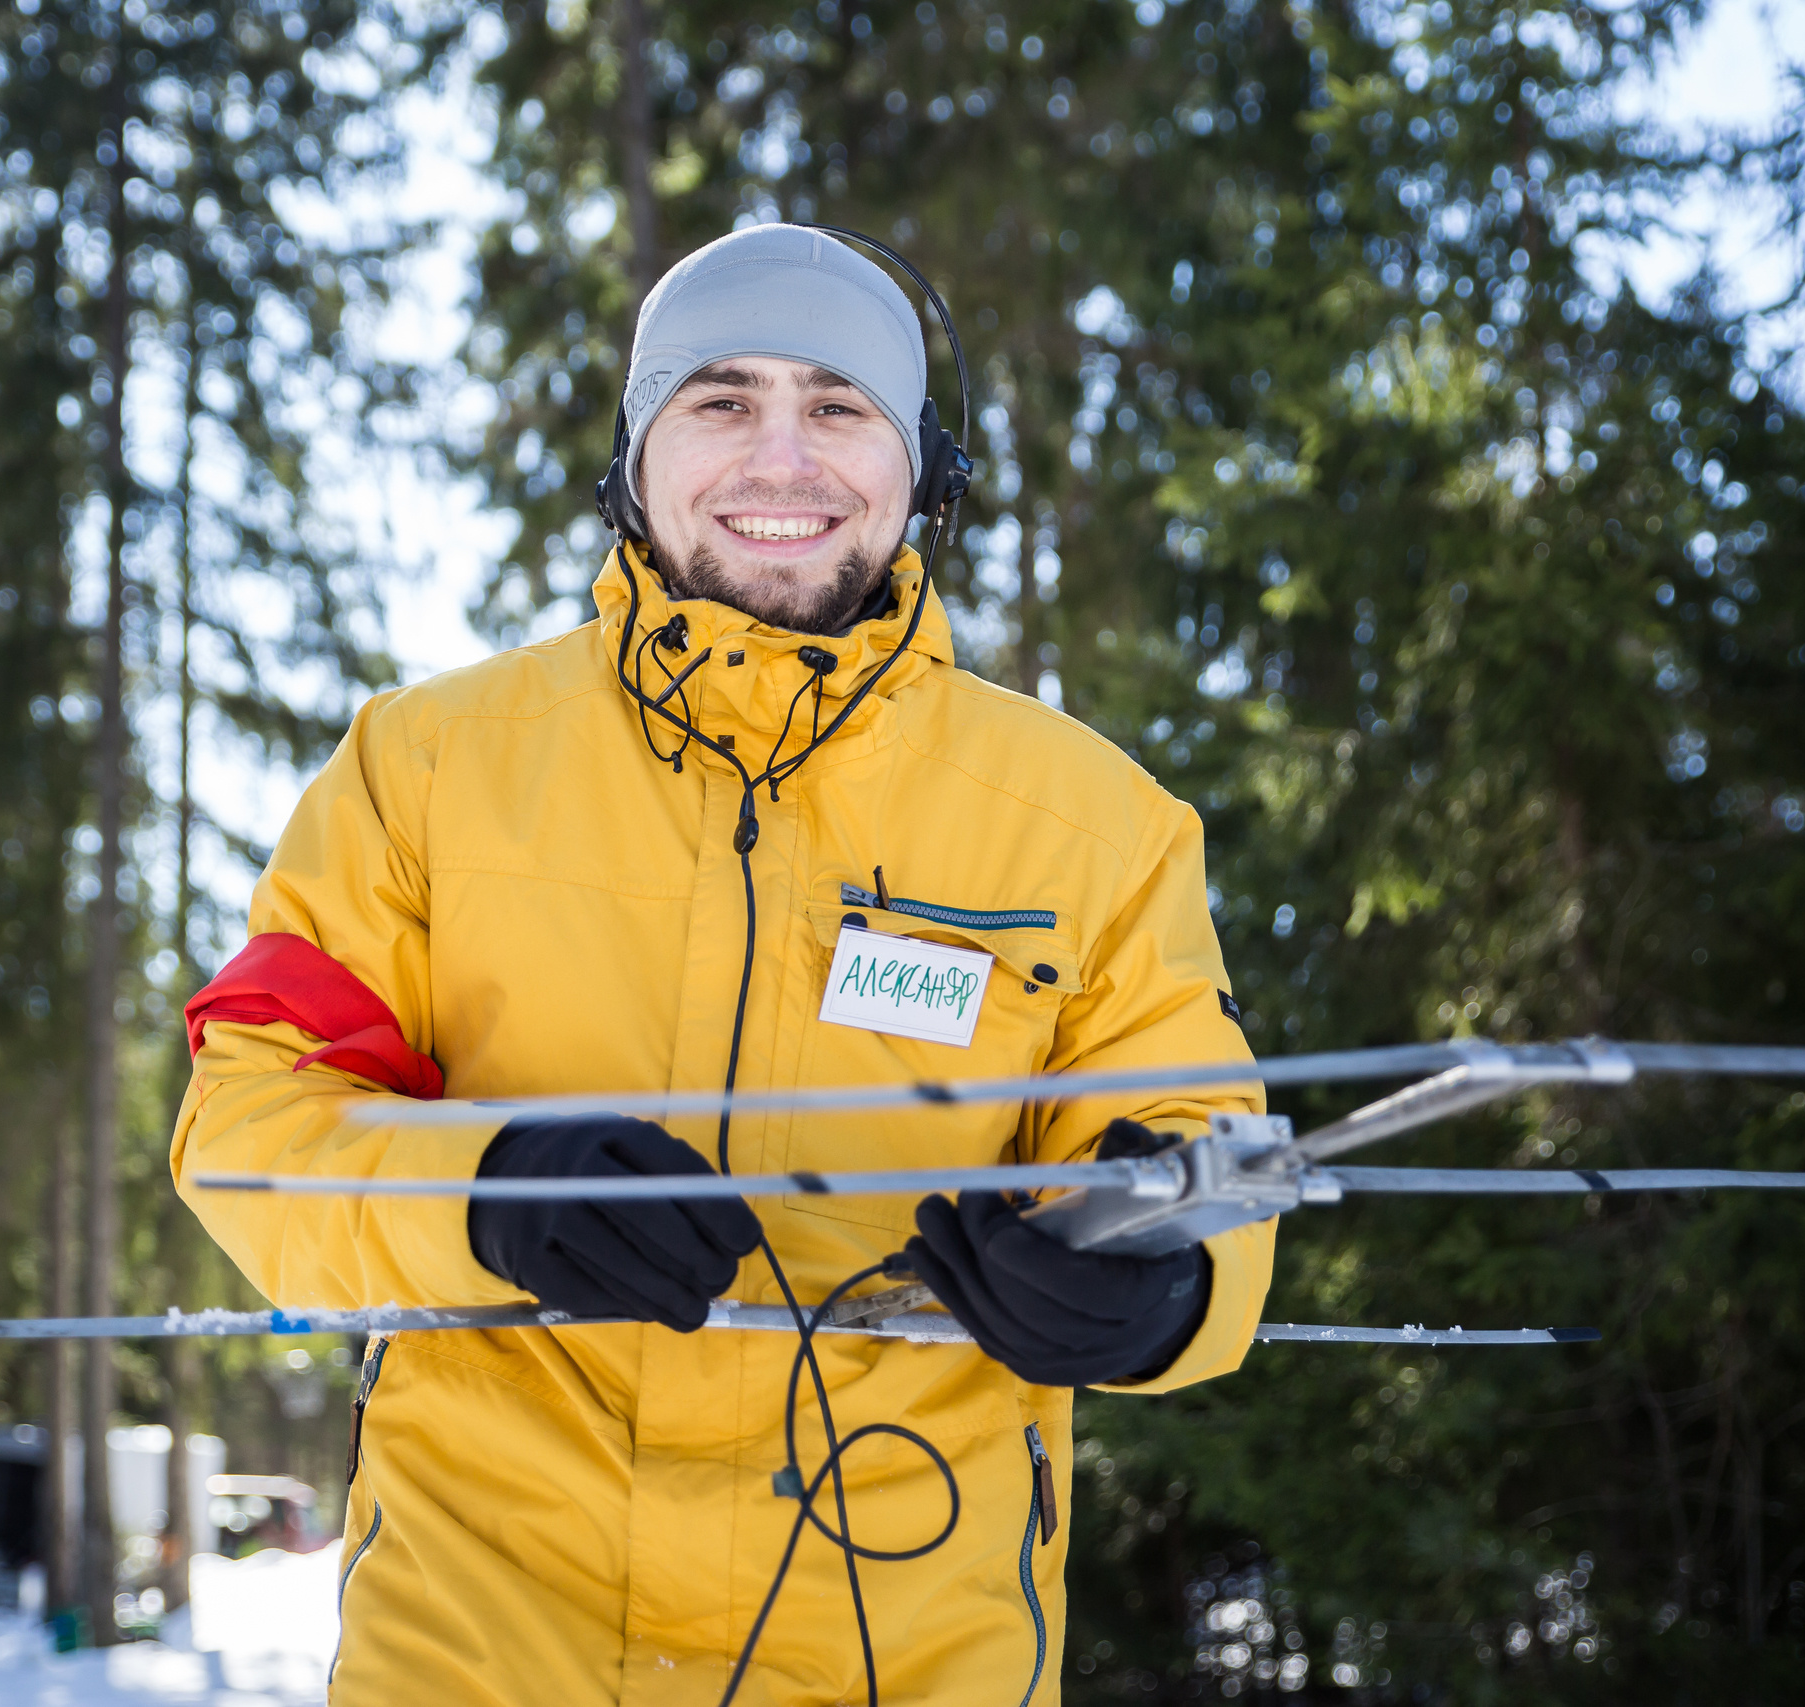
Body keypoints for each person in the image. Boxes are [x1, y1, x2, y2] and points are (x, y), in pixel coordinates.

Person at [172, 223, 1275, 1707]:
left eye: (838, 405)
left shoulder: (1094, 826)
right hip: (487, 1648)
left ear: (920, 467)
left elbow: (1207, 1144)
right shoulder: (423, 771)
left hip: (898, 1652)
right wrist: (486, 1194)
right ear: (636, 451)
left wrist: (1160, 1283)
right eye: (721, 400)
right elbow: (251, 1123)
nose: (781, 458)